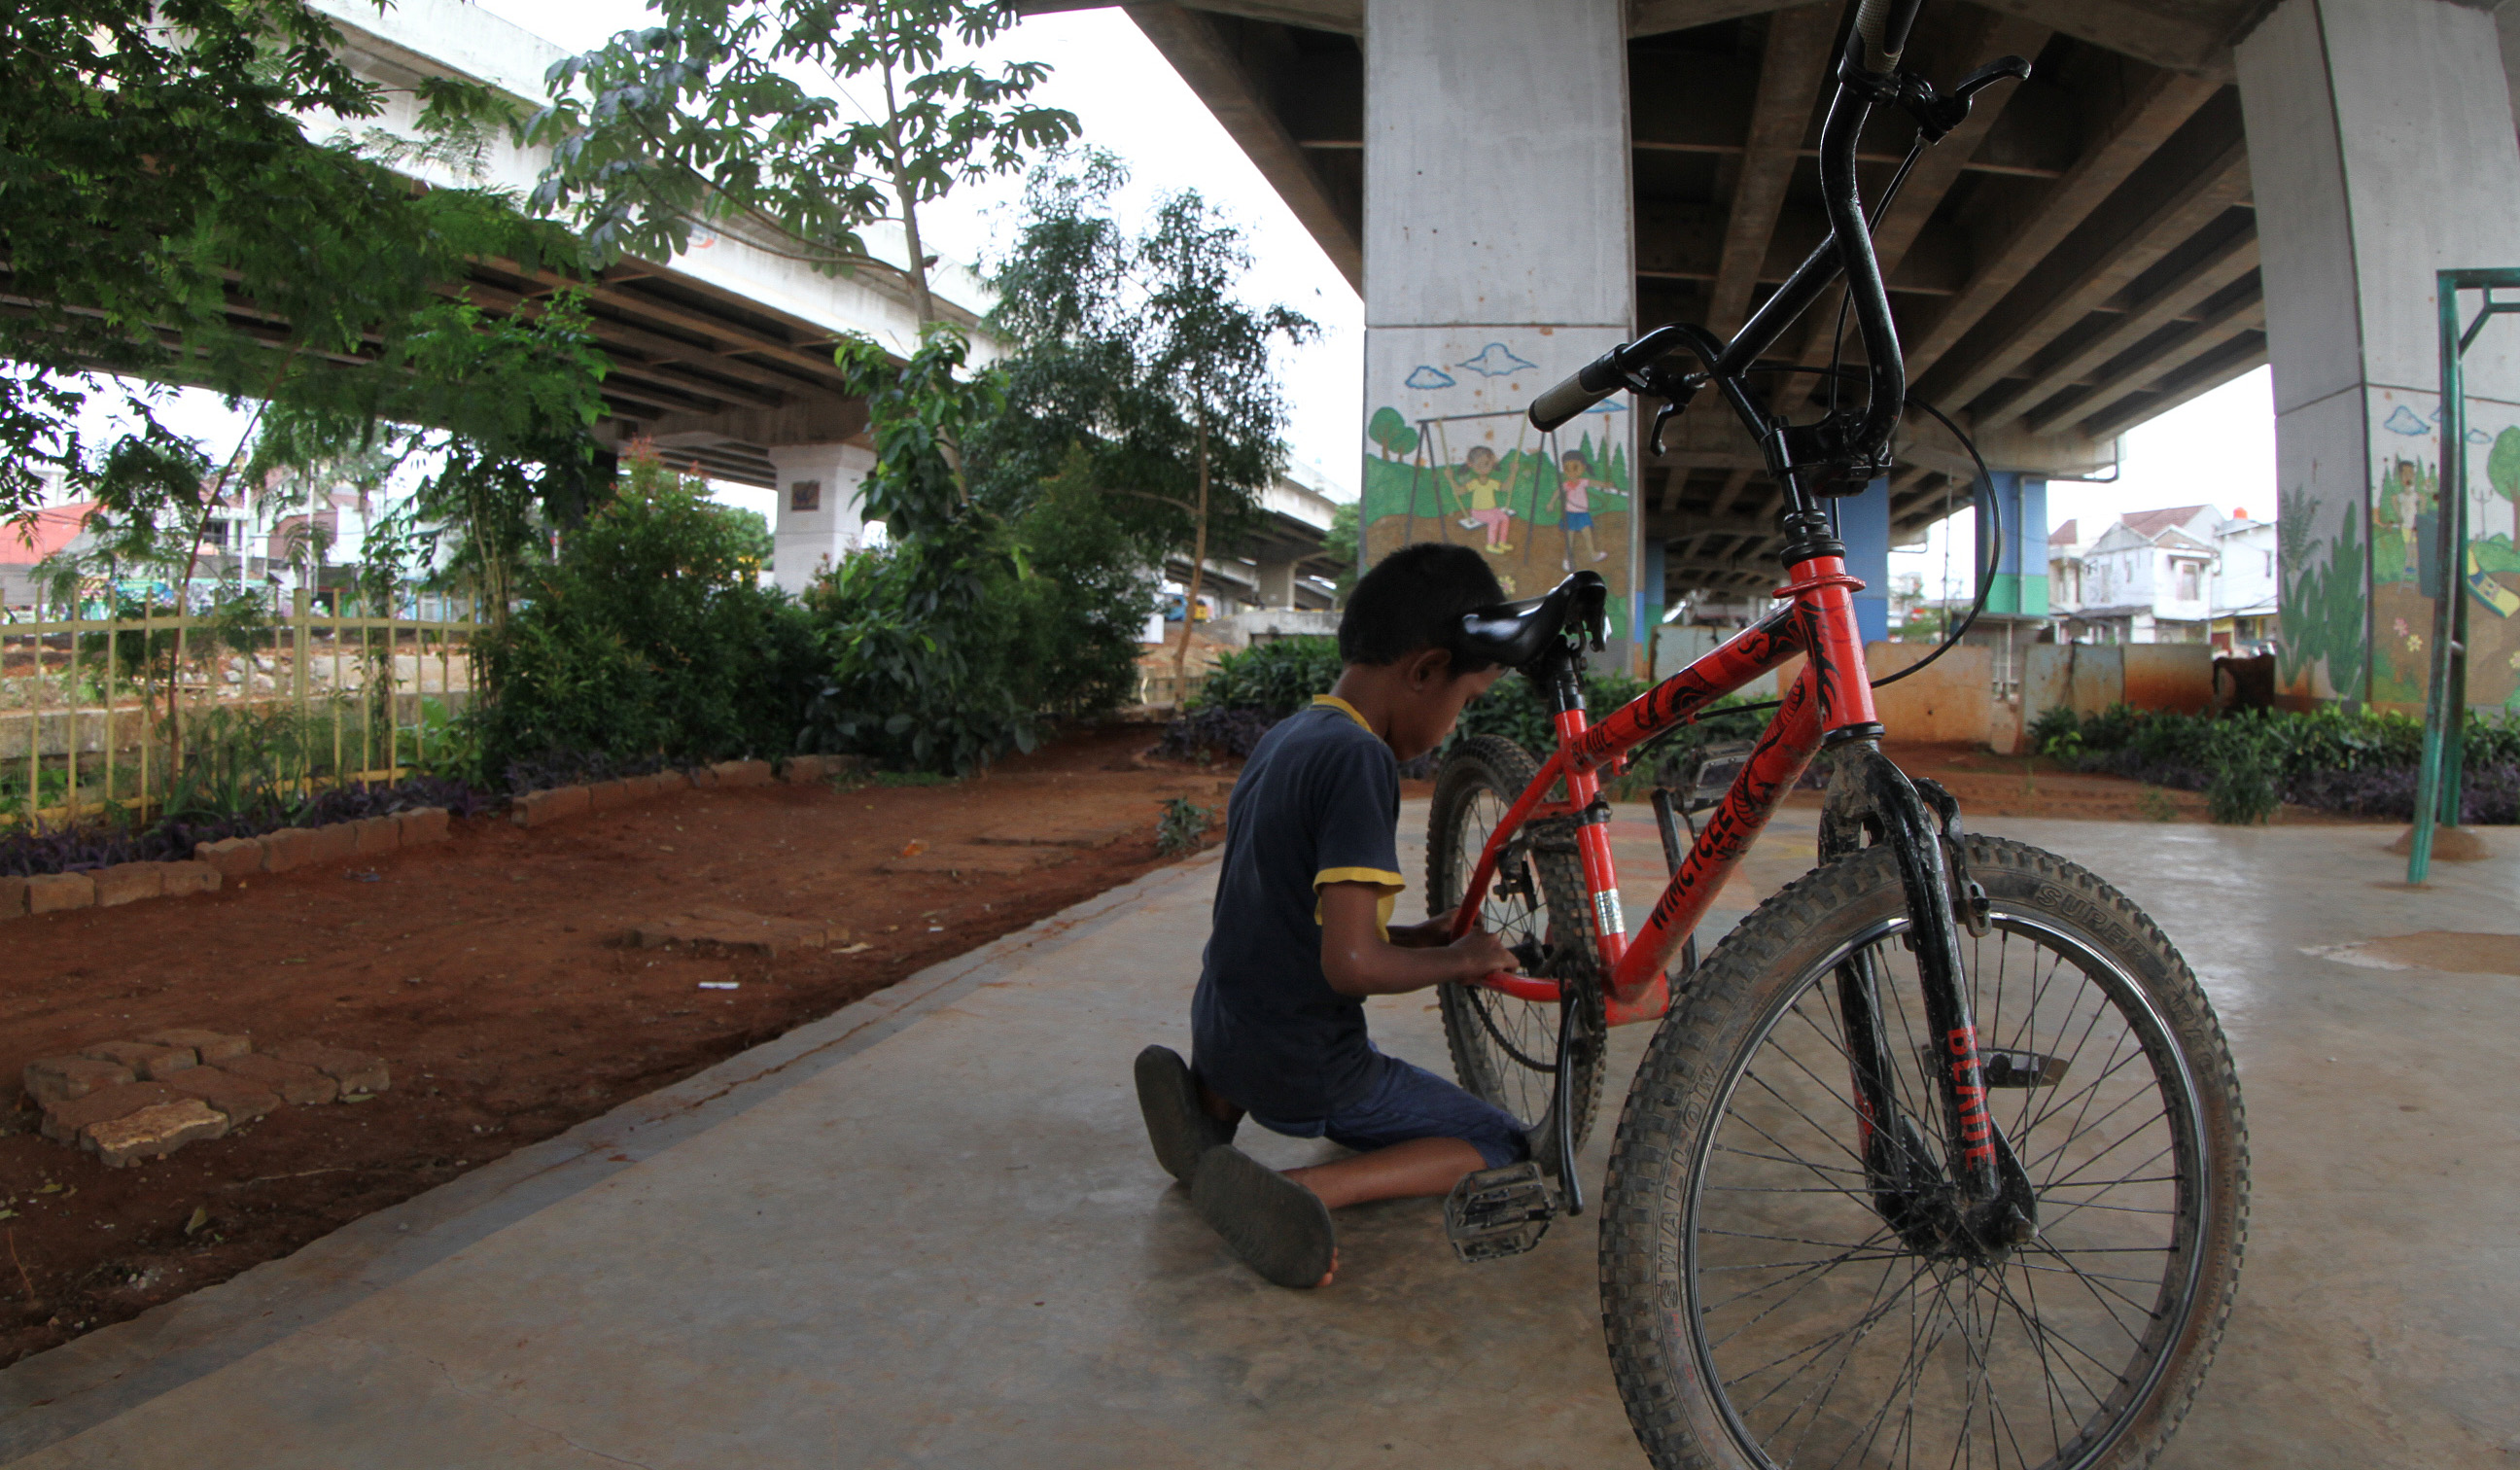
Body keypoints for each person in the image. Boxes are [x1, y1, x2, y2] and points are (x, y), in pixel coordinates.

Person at [1134, 542, 1524, 1288]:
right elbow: (1351, 966)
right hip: (1309, 1067)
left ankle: (1209, 1112)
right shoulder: (1360, 760)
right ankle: (1305, 1191)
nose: (1454, 722)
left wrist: (1421, 934)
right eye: (1464, 701)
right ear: (1424, 671)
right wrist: (1463, 959)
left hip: (1223, 1030)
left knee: (1258, 1029)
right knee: (1502, 1141)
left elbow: (1288, 914)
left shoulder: (1288, 738)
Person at [1555, 450, 1611, 568]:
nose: (1571, 472)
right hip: (1570, 514)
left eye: (1575, 468)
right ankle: (1566, 559)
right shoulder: (1566, 484)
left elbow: (1594, 483)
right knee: (1569, 538)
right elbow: (1558, 492)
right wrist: (1551, 503)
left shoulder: (1582, 482)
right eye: (1567, 468)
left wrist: (1605, 485)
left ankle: (1593, 554)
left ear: (1583, 468)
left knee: (1587, 534)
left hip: (1582, 514)